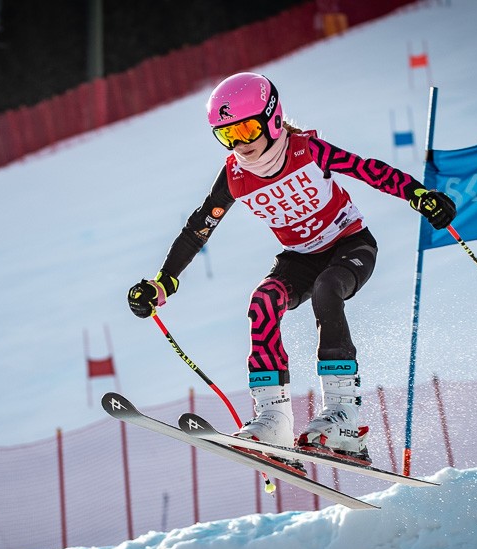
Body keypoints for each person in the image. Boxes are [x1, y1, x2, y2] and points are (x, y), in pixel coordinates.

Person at [127, 71, 455, 464]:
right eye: (227, 135)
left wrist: (419, 195)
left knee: (327, 290)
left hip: (350, 245)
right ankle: (274, 421)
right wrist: (163, 282)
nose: (240, 144)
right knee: (263, 302)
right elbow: (198, 228)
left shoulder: (307, 150)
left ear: (273, 119)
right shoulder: (234, 176)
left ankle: (344, 418)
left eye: (246, 129)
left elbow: (368, 169)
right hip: (299, 258)